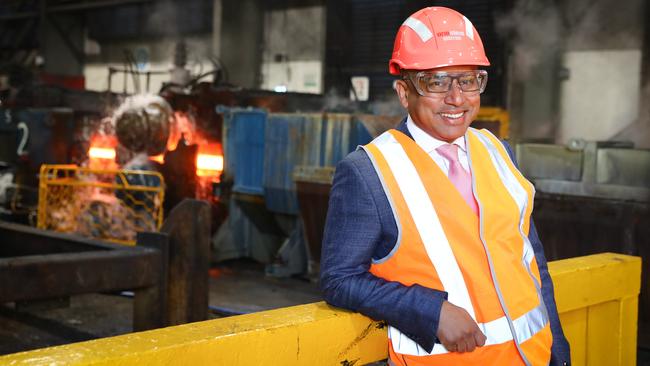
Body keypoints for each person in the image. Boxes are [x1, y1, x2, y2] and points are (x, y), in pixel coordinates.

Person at [320, 7, 570, 366]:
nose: (456, 98)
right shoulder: (368, 172)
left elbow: (532, 261)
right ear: (404, 93)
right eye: (436, 82)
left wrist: (559, 353)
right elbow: (338, 279)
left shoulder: (498, 152)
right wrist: (429, 310)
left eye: (468, 80)